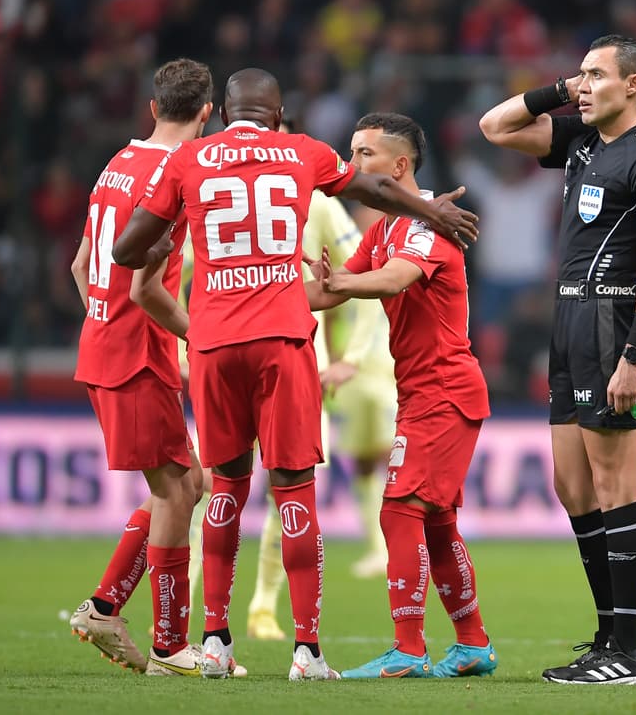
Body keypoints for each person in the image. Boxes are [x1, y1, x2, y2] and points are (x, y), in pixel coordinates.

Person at [111, 68, 479, 681]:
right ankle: (307, 651)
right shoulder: (302, 151)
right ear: (278, 114)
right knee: (293, 487)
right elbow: (371, 192)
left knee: (226, 485)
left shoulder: (192, 160)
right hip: (282, 340)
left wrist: (164, 241)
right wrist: (426, 208)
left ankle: (217, 642)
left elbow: (127, 251)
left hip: (213, 340)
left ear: (224, 113)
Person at [478, 35, 636, 685]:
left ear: (634, 85)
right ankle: (607, 637)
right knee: (572, 487)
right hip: (567, 320)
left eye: (597, 74)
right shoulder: (583, 142)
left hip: (610, 323)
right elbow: (495, 126)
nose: (584, 83)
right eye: (581, 73)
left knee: (616, 481)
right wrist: (558, 92)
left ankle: (632, 650)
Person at [315, 112, 497, 680]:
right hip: (423, 393)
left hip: (445, 391)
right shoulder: (384, 228)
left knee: (399, 510)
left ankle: (409, 649)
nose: (353, 165)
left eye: (364, 154)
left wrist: (340, 284)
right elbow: (328, 289)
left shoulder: (425, 226)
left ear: (398, 167)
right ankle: (472, 645)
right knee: (437, 522)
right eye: (351, 151)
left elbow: (392, 280)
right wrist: (255, 298)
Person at [68, 58, 219, 677]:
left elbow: (81, 267)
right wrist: (202, 337)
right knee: (176, 490)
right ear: (207, 113)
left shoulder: (116, 164)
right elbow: (145, 291)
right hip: (138, 354)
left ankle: (106, 606)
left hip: (109, 348)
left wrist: (105, 326)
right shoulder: (179, 173)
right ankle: (166, 643)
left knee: (189, 486)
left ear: (153, 107)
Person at [244, 118, 396, 642]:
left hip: (299, 363)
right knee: (206, 490)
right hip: (228, 359)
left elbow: (364, 274)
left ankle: (262, 606)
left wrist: (348, 354)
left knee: (283, 486)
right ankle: (186, 621)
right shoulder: (214, 193)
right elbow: (177, 277)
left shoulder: (323, 204)